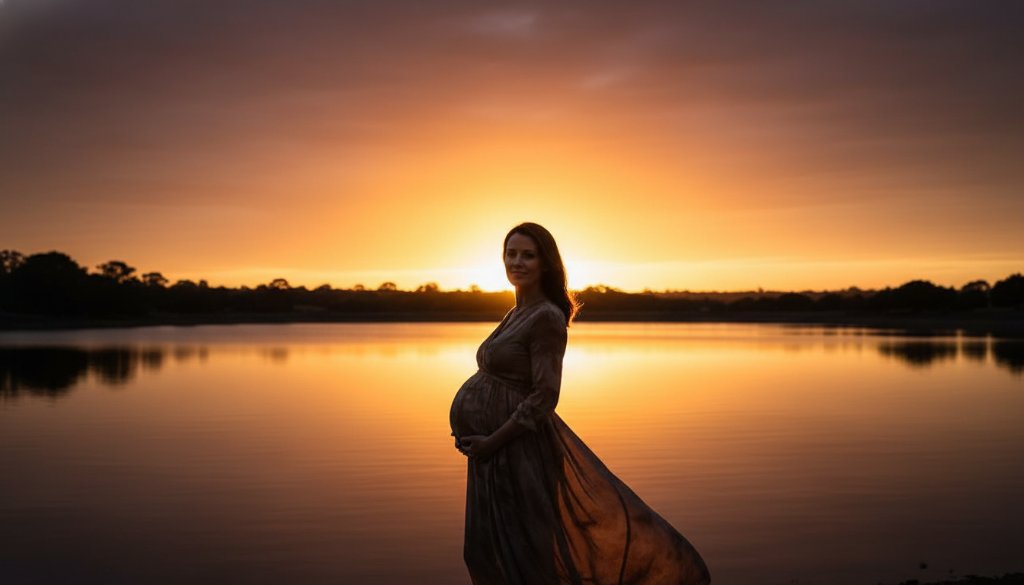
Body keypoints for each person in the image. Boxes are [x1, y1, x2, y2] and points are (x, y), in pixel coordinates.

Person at [449, 222, 710, 585]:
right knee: (483, 550)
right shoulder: (515, 313)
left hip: (516, 451)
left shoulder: (547, 318)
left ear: (546, 263)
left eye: (528, 255)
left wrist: (492, 441)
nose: (517, 261)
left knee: (525, 555)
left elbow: (544, 397)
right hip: (491, 455)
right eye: (511, 254)